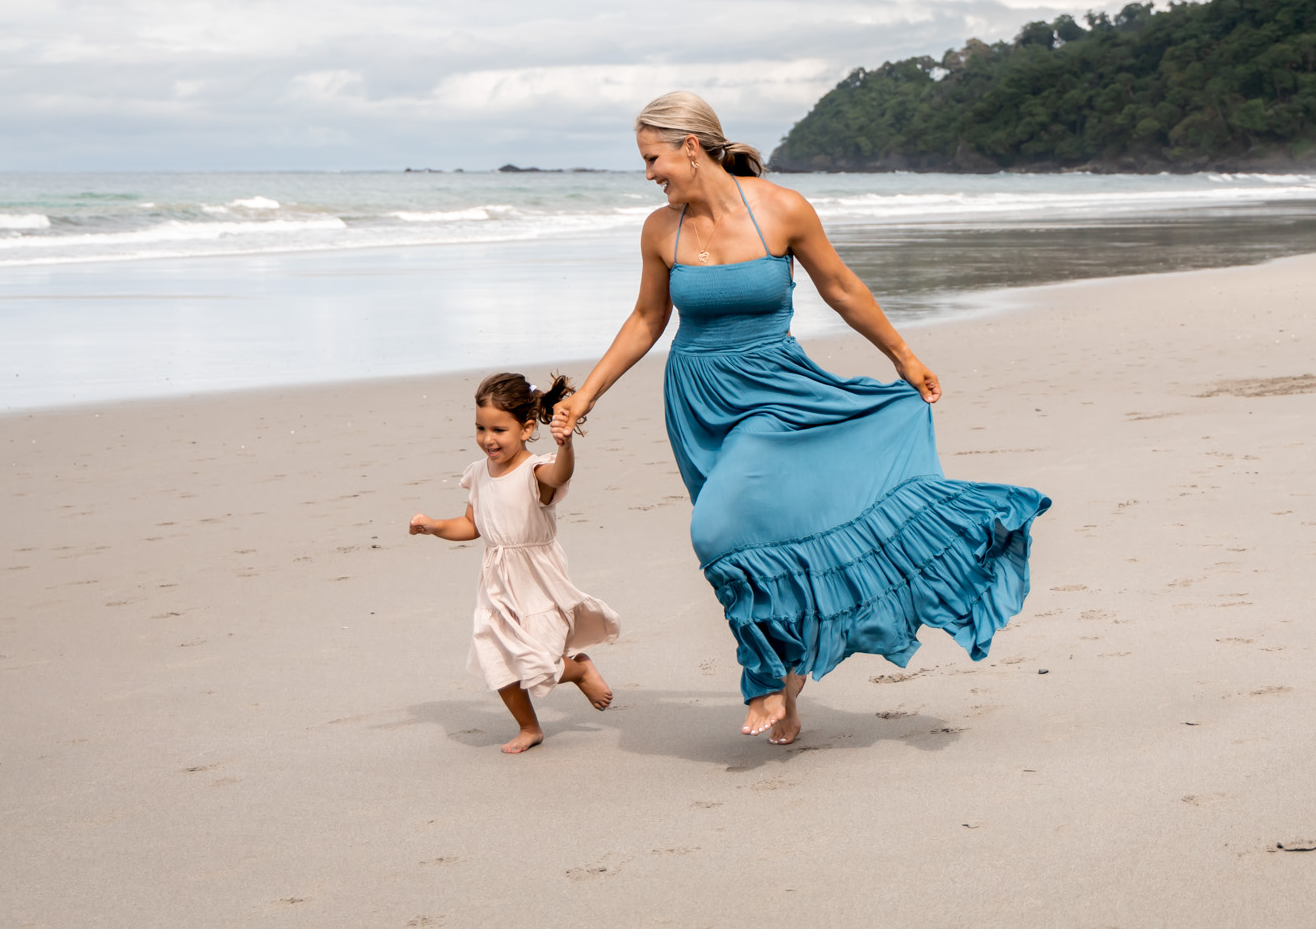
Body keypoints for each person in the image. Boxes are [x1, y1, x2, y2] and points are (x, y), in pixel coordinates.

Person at [551, 92, 1048, 745]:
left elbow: (840, 286)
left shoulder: (782, 210)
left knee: (717, 529)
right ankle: (790, 679)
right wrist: (586, 395)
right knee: (764, 541)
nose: (649, 173)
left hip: (776, 392)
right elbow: (647, 320)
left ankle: (760, 675)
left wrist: (903, 356)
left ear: (691, 146)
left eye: (653, 158)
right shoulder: (660, 229)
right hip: (698, 402)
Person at [410, 372, 619, 754]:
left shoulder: (535, 470)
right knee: (495, 657)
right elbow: (472, 525)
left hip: (535, 578)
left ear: (525, 429)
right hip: (495, 582)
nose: (488, 438)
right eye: (480, 428)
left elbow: (561, 474)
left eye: (498, 430)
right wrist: (436, 526)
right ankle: (529, 726)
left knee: (539, 658)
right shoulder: (478, 473)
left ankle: (579, 669)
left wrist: (566, 446)